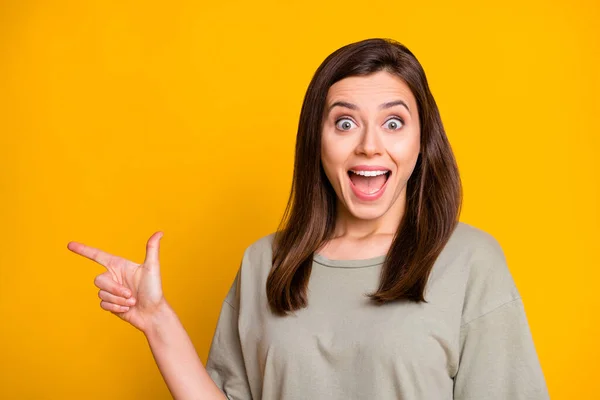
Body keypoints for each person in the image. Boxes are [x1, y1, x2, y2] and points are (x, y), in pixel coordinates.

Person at [67, 38, 549, 399]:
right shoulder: (265, 262)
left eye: (393, 122)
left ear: (422, 143)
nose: (368, 144)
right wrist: (156, 321)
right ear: (316, 142)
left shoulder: (469, 261)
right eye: (344, 122)